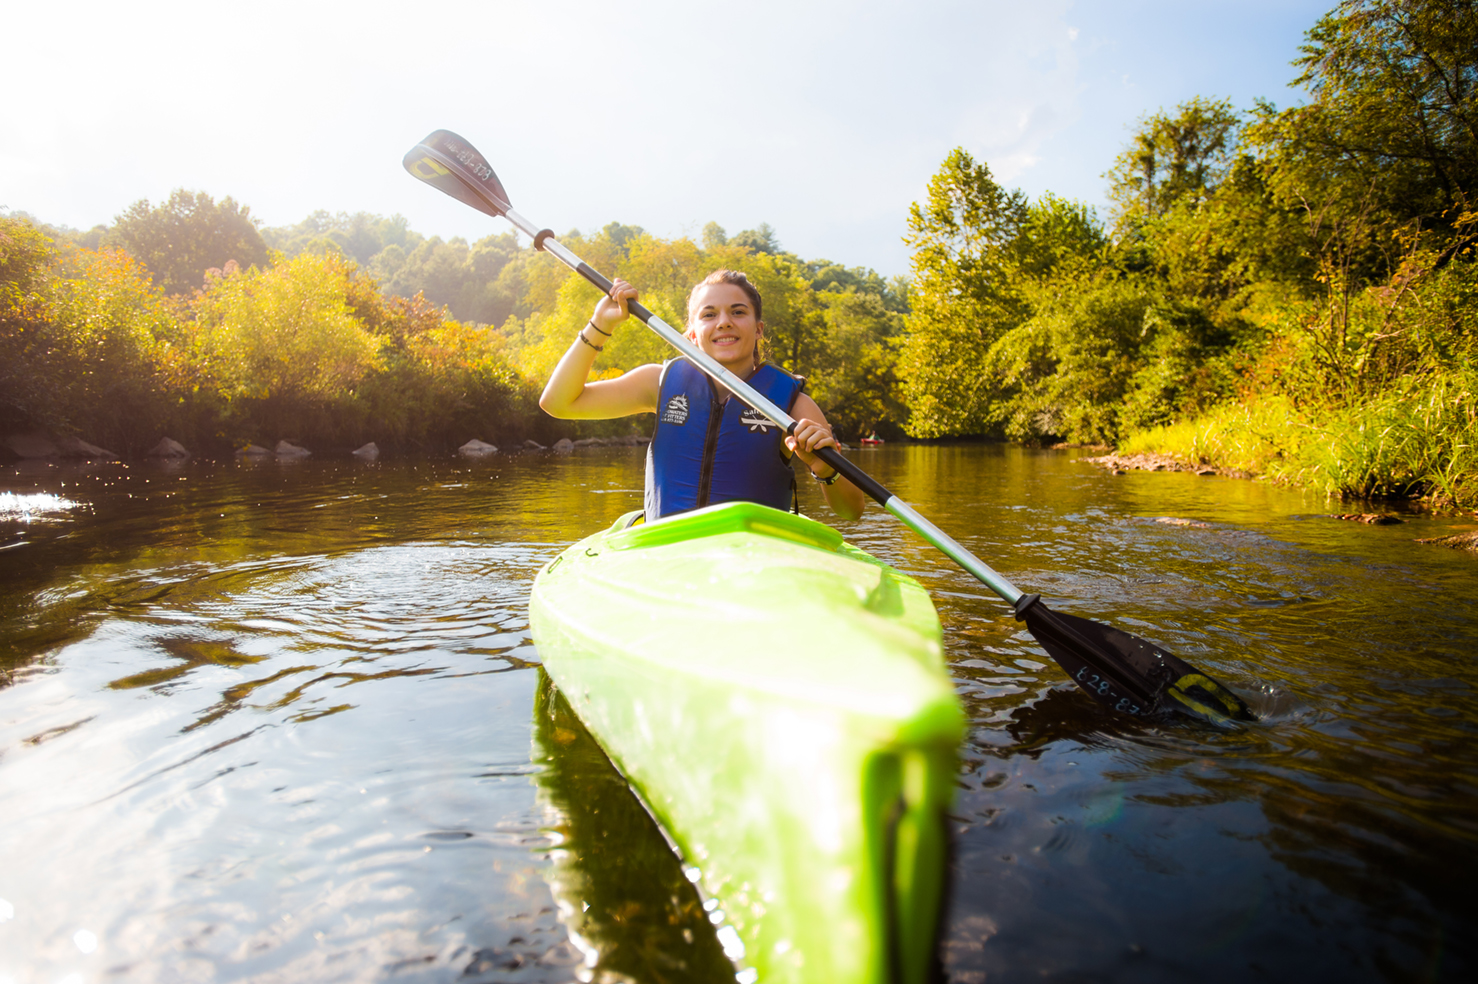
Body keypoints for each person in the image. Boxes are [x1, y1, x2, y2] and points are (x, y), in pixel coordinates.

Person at [539, 269, 865, 522]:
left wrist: (825, 470)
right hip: (670, 551)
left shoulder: (793, 405)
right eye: (709, 315)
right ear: (692, 335)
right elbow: (558, 403)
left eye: (738, 312)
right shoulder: (659, 382)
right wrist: (600, 324)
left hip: (753, 562)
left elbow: (853, 511)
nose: (724, 322)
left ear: (759, 329)